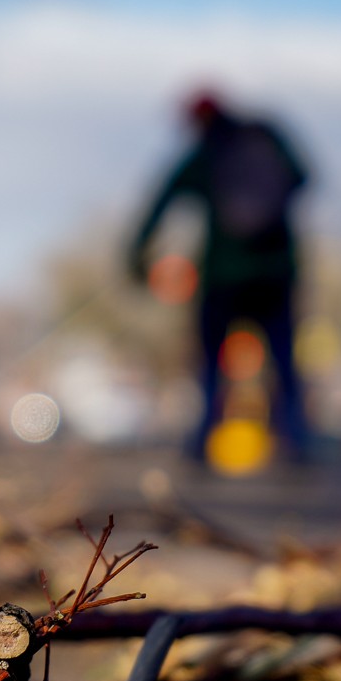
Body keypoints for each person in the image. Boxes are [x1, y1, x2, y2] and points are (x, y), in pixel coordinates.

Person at [128, 90, 310, 463]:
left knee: (211, 364)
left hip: (222, 277)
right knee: (284, 362)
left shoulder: (204, 156)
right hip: (276, 272)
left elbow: (159, 203)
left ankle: (201, 444)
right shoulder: (266, 138)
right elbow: (304, 177)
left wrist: (136, 259)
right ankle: (296, 442)